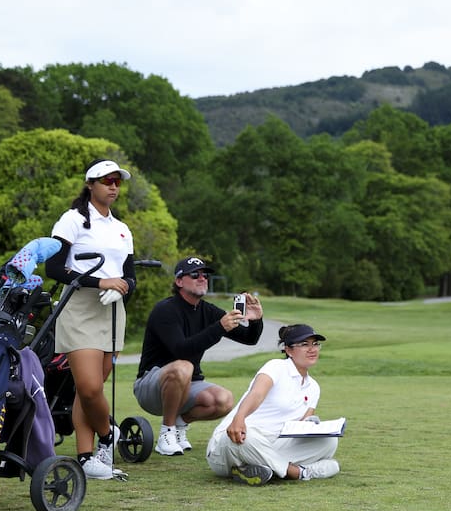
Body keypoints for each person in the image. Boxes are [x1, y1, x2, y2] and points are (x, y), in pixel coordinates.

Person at [45, 159, 137, 480]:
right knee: (89, 387)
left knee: (87, 394)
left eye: (117, 182)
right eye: (106, 181)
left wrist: (123, 287)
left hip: (112, 309)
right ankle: (108, 434)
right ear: (90, 184)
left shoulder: (121, 229)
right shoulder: (72, 220)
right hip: (79, 306)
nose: (113, 186)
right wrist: (100, 282)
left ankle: (86, 457)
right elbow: (54, 268)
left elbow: (130, 276)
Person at [134, 257, 265, 456]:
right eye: (195, 274)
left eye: (205, 275)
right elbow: (181, 350)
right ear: (179, 281)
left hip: (186, 385)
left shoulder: (207, 310)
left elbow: (249, 339)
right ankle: (166, 433)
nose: (202, 278)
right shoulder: (165, 310)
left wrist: (256, 320)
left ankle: (179, 424)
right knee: (184, 366)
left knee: (224, 400)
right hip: (150, 385)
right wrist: (219, 328)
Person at [205, 324, 340, 486]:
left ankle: (255, 468)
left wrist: (312, 426)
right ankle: (297, 472)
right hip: (233, 443)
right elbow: (257, 394)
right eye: (304, 344)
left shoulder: (314, 387)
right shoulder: (276, 367)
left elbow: (300, 427)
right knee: (245, 437)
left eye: (315, 344)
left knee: (329, 441)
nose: (312, 349)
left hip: (271, 446)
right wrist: (239, 418)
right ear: (288, 350)